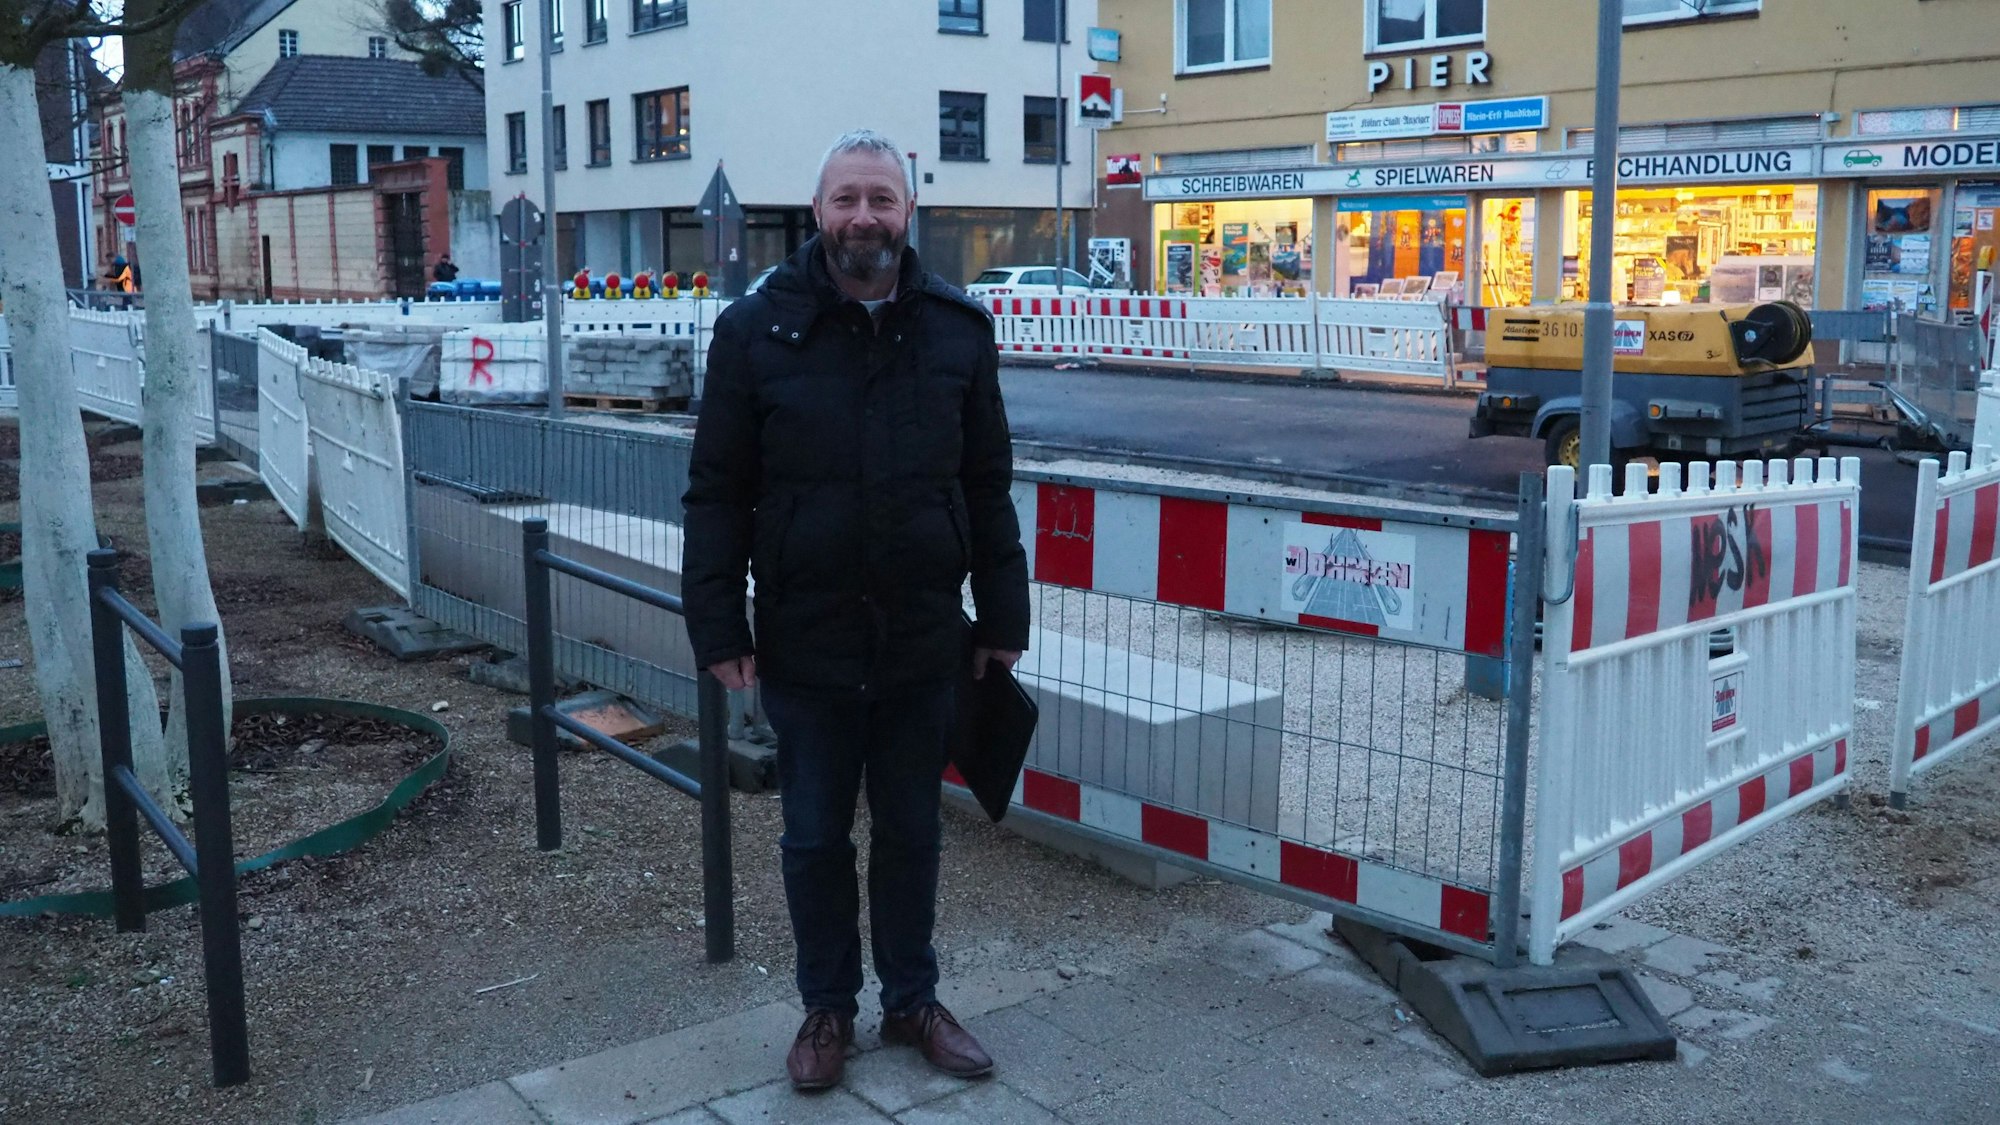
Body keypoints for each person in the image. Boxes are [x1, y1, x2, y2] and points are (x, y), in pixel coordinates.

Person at [682, 129, 1029, 1092]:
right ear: (818, 211)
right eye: (847, 199)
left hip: (923, 637)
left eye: (881, 198)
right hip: (808, 638)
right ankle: (827, 1007)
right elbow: (717, 493)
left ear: (908, 211)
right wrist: (718, 624)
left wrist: (1003, 617)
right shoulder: (755, 333)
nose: (864, 217)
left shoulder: (958, 331)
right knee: (813, 838)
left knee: (913, 832)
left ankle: (912, 999)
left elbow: (987, 485)